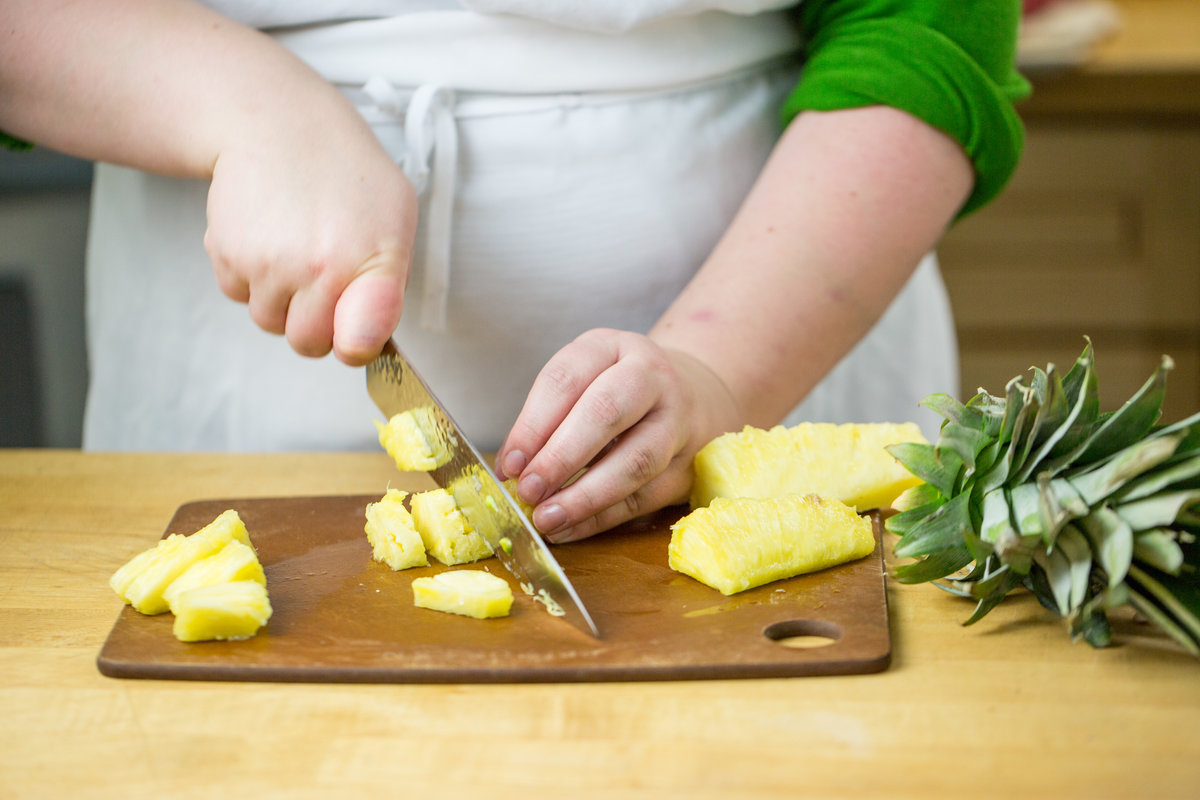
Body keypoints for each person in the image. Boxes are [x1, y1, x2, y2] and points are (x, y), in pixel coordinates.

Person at [0, 0, 1029, 542]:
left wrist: (720, 368)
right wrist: (238, 103)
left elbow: (926, 25)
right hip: (228, 401)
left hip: (783, 337)